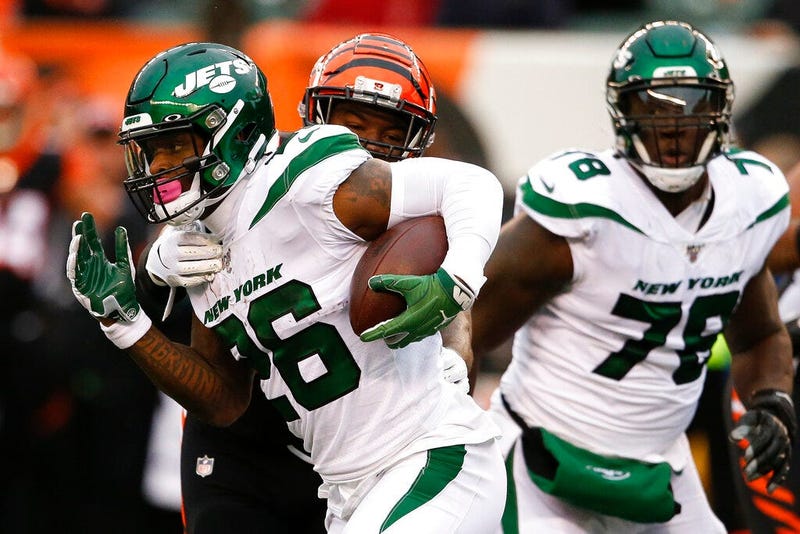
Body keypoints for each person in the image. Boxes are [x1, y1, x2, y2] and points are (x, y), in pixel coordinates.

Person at [66, 41, 506, 533]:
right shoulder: (204, 233)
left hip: (426, 456)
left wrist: (456, 291)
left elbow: (468, 189)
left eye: (174, 146)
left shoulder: (312, 177)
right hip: (331, 479)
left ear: (230, 135)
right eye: (351, 125)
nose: (365, 145)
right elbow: (222, 398)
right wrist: (127, 321)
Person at [471, 20, 796, 532]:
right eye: (654, 110)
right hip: (542, 458)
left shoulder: (747, 203)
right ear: (622, 113)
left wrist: (771, 399)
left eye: (692, 109)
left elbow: (758, 335)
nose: (673, 130)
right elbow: (465, 329)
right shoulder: (583, 213)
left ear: (722, 111)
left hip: (662, 465)